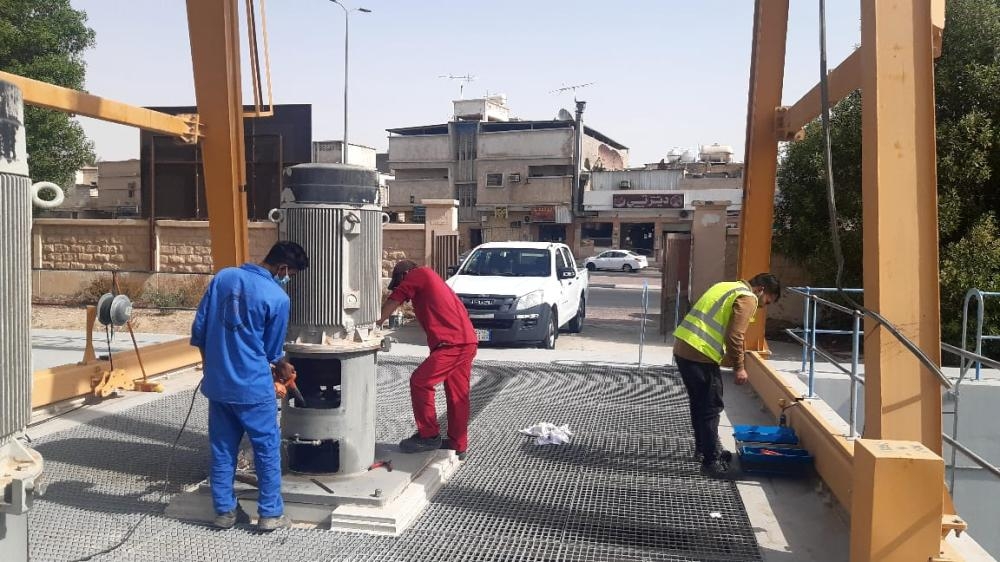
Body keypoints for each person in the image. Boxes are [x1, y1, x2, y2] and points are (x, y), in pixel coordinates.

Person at [190, 241, 310, 530]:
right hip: (253, 387)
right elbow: (271, 351)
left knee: (222, 449)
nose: (288, 279)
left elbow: (199, 330)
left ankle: (224, 512)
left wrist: (212, 368)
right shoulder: (278, 298)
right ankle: (270, 514)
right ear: (283, 268)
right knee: (266, 450)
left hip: (219, 386)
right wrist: (282, 366)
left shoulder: (224, 277)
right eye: (291, 275)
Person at [673, 273, 781, 478]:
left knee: (699, 404)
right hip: (701, 353)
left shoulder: (725, 286)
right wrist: (739, 367)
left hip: (684, 348)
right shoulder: (748, 297)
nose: (763, 307)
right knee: (711, 407)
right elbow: (735, 335)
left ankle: (704, 450)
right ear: (761, 290)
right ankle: (711, 463)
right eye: (767, 301)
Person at [377, 260, 478, 460]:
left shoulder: (419, 273)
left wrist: (374, 323)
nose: (406, 296)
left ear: (405, 275)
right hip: (464, 342)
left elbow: (395, 298)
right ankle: (458, 443)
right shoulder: (431, 282)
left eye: (399, 283)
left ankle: (428, 435)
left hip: (452, 344)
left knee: (420, 381)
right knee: (457, 395)